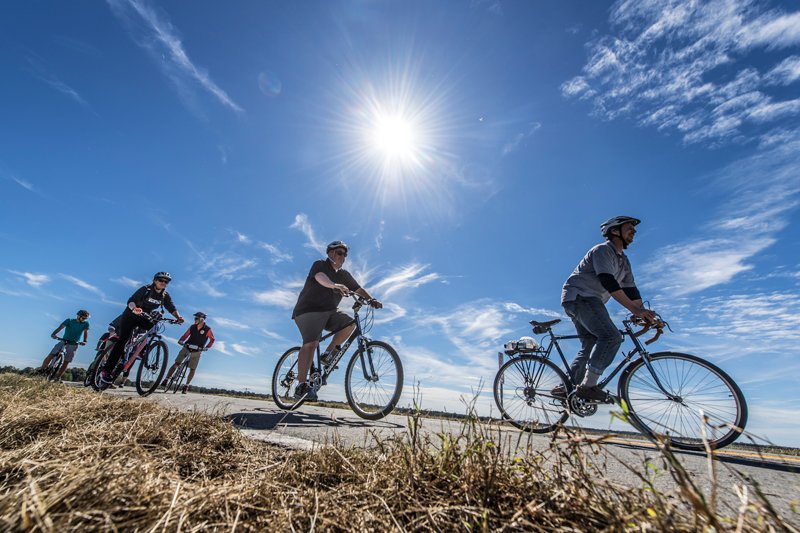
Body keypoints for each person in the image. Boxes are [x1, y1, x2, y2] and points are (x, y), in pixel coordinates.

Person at [559, 216, 657, 402]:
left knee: (591, 342)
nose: (633, 232)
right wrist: (635, 311)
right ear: (614, 231)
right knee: (611, 336)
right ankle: (588, 387)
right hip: (580, 296)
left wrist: (645, 313)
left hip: (589, 299)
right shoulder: (602, 250)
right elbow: (608, 281)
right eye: (629, 228)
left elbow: (631, 291)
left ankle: (566, 388)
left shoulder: (624, 261)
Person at [291, 240, 381, 400]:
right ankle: (301, 385)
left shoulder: (344, 275)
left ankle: (327, 354)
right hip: (307, 311)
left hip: (329, 313)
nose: (343, 257)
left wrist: (371, 299)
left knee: (349, 324)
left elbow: (358, 289)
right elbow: (320, 278)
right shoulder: (320, 265)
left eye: (345, 254)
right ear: (330, 253)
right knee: (311, 343)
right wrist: (334, 285)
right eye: (339, 253)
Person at [100, 272, 184, 384]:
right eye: (161, 280)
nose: (163, 283)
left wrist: (178, 317)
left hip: (145, 317)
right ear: (155, 280)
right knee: (123, 340)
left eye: (166, 281)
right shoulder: (145, 289)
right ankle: (107, 370)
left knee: (154, 328)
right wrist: (134, 309)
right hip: (130, 315)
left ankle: (142, 351)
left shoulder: (165, 296)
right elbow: (131, 301)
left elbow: (171, 307)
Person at [162, 311, 215, 393]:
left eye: (197, 318)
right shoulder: (192, 327)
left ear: (202, 319)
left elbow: (212, 339)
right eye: (195, 318)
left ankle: (186, 385)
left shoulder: (207, 329)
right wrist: (181, 340)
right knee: (176, 363)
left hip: (197, 350)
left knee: (192, 369)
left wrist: (206, 347)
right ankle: (166, 379)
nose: (195, 319)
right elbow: (185, 335)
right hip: (187, 347)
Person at [40, 310, 90, 381]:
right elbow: (60, 327)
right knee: (51, 355)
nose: (84, 319)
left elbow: (86, 332)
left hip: (74, 343)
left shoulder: (86, 324)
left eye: (85, 318)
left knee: (67, 361)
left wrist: (85, 341)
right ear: (78, 316)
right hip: (63, 341)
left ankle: (58, 377)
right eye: (83, 318)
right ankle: (42, 371)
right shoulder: (69, 320)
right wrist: (53, 334)